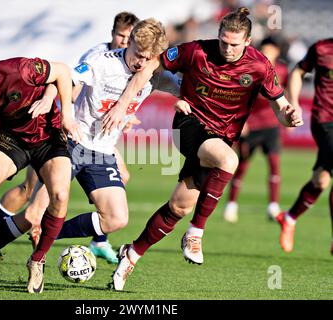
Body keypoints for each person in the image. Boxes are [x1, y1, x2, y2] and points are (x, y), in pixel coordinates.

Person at [0, 18, 180, 293]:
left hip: (102, 152)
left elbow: (186, 86)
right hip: (73, 143)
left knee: (116, 218)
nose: (140, 63)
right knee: (33, 214)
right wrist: (52, 98)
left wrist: (185, 99)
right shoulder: (103, 62)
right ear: (129, 42)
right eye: (137, 54)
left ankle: (51, 235)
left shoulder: (155, 73)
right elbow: (65, 76)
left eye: (148, 58)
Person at [107, 7, 304, 291]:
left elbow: (281, 107)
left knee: (179, 206)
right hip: (189, 125)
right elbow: (153, 64)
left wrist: (290, 116)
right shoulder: (196, 51)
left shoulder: (260, 66)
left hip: (220, 138)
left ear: (248, 41)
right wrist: (123, 103)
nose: (227, 48)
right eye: (223, 41)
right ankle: (196, 234)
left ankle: (131, 254)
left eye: (234, 44)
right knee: (229, 160)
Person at [0, 12, 140, 264]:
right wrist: (52, 100)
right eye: (121, 35)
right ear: (112, 34)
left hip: (99, 145)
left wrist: (124, 113)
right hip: (68, 137)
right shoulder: (98, 57)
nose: (123, 40)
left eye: (128, 37)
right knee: (29, 196)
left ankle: (95, 240)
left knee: (122, 182)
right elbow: (67, 79)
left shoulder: (142, 68)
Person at [0, 47, 81, 293]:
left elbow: (63, 72)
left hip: (49, 138)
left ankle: (37, 260)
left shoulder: (21, 69)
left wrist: (67, 114)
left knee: (60, 197)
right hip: (13, 139)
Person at [275, 38, 333, 254]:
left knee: (321, 179)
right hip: (325, 119)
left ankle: (288, 217)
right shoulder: (322, 49)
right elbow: (298, 72)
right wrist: (295, 103)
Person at [223, 36, 289, 223]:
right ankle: (231, 205)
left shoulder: (283, 70)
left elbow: (286, 93)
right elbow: (238, 96)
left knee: (274, 164)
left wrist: (289, 115)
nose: (268, 53)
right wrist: (239, 121)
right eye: (265, 50)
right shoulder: (251, 69)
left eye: (271, 50)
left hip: (271, 125)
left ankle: (273, 206)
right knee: (241, 166)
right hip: (250, 125)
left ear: (277, 51)